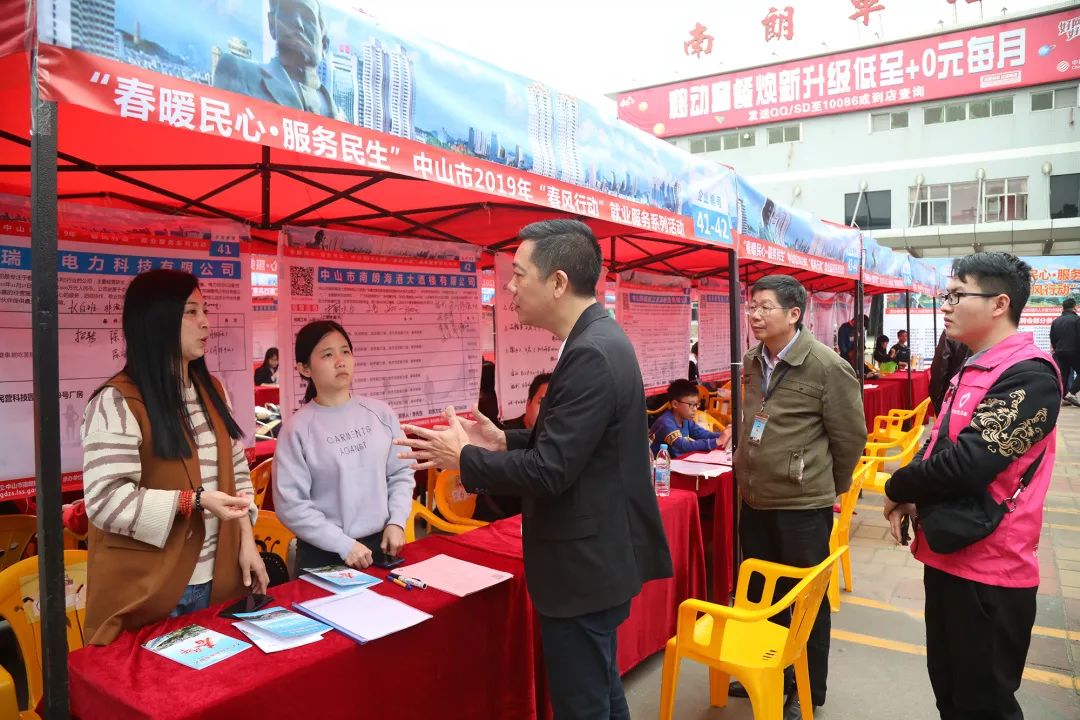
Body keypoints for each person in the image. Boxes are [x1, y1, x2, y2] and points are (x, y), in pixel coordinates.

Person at [394, 219, 672, 719]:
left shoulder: (590, 351)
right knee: (603, 694)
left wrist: (465, 459)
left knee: (583, 705)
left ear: (558, 282)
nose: (509, 286)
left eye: (519, 274)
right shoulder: (598, 339)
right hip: (595, 561)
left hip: (582, 571)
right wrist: (505, 440)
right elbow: (576, 443)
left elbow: (551, 471)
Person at [884, 253, 1061, 720]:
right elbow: (938, 442)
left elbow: (968, 464)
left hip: (991, 571)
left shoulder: (1031, 376)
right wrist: (910, 492)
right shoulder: (973, 366)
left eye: (958, 295)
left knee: (984, 705)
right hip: (946, 552)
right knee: (951, 693)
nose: (946, 305)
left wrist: (896, 483)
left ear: (1000, 303)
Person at [81, 270, 267, 645]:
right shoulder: (117, 401)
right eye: (191, 312)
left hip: (220, 580)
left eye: (205, 310)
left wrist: (246, 540)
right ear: (156, 320)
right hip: (152, 591)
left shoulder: (212, 391)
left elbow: (238, 476)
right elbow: (104, 501)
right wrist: (193, 501)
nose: (206, 323)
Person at [733, 274, 866, 719]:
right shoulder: (753, 360)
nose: (754, 314)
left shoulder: (827, 367)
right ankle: (765, 669)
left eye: (764, 307)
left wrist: (828, 487)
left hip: (802, 507)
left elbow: (850, 438)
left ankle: (804, 688)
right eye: (752, 306)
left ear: (794, 314)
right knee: (758, 593)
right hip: (754, 498)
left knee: (804, 602)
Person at [273, 320, 415, 572]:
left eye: (345, 351)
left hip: (381, 548)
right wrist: (341, 543)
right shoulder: (297, 429)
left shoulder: (380, 413)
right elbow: (292, 505)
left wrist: (397, 522)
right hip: (323, 556)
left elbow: (401, 473)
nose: (340, 361)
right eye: (328, 355)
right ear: (304, 368)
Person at [213, 0, 342, 120]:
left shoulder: (340, 116)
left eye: (307, 17)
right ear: (271, 25)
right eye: (288, 13)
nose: (297, 22)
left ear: (324, 45)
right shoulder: (238, 71)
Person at [649, 378, 731, 457]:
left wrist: (725, 434)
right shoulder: (666, 423)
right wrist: (717, 441)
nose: (695, 409)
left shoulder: (685, 420)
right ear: (675, 404)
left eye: (696, 405)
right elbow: (683, 446)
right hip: (658, 467)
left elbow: (703, 434)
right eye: (691, 405)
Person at [928, 329, 969, 414]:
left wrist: (937, 399)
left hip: (954, 393)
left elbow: (939, 370)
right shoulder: (993, 331)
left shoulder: (951, 332)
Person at [1049, 297, 1080, 407]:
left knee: (1064, 375)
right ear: (1074, 307)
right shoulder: (1076, 320)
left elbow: (1052, 338)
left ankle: (1063, 398)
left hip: (1060, 352)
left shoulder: (1056, 321)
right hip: (1074, 351)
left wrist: (1057, 349)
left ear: (1063, 308)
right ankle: (1071, 393)